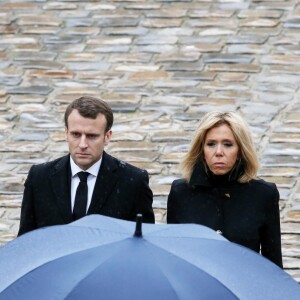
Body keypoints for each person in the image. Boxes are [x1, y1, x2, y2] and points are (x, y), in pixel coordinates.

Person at [18, 96, 155, 236]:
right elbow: (25, 241)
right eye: (76, 134)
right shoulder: (40, 178)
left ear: (107, 136)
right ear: (66, 133)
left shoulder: (133, 182)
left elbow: (143, 243)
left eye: (91, 136)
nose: (82, 145)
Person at [167, 111, 283, 268]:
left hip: (244, 286)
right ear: (201, 150)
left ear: (241, 150)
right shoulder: (180, 192)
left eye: (228, 144)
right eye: (211, 144)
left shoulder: (263, 194)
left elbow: (274, 264)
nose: (219, 152)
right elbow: (173, 256)